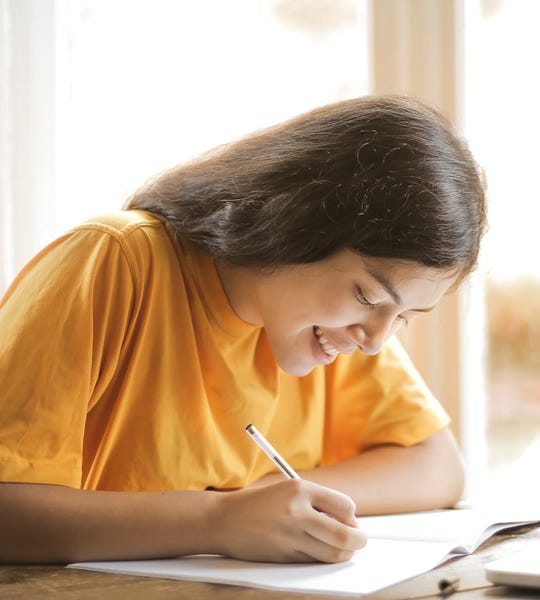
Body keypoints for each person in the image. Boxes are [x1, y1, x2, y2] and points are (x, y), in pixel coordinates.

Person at [0, 95, 487, 565]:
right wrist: (217, 520)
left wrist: (267, 502)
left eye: (402, 317)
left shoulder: (334, 330)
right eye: (367, 297)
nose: (376, 340)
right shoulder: (114, 261)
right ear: (295, 223)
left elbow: (438, 467)